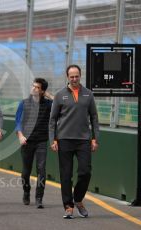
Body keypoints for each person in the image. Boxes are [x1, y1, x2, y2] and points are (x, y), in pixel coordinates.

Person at [49, 64, 99, 219]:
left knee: (85, 172)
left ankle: (77, 199)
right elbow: (52, 120)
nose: (74, 79)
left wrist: (95, 138)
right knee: (66, 175)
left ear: (80, 75)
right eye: (72, 76)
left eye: (77, 76)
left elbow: (94, 118)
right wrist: (53, 139)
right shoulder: (59, 95)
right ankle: (68, 206)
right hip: (64, 140)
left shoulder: (88, 94)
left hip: (84, 139)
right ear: (67, 77)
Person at [15, 78, 53, 208]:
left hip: (42, 141)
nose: (33, 88)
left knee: (41, 170)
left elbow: (62, 105)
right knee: (26, 172)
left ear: (42, 91)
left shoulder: (48, 105)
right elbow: (18, 122)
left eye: (37, 87)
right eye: (33, 86)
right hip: (27, 141)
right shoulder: (24, 103)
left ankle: (39, 198)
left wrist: (49, 95)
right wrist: (20, 136)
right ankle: (26, 192)